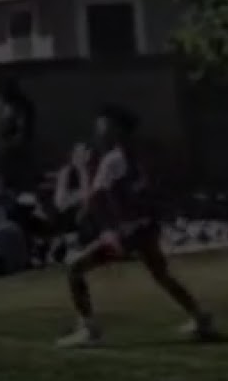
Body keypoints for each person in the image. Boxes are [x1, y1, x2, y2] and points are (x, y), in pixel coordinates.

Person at [56, 104, 217, 349]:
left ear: (117, 129)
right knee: (161, 275)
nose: (98, 130)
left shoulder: (112, 161)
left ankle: (89, 329)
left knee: (75, 269)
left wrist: (81, 169)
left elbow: (91, 201)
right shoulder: (137, 154)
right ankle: (201, 318)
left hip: (125, 234)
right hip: (144, 228)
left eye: (103, 125)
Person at [0, 78, 36, 193]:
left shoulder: (22, 104)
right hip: (3, 146)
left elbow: (23, 127)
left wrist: (16, 143)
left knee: (20, 176)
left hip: (17, 147)